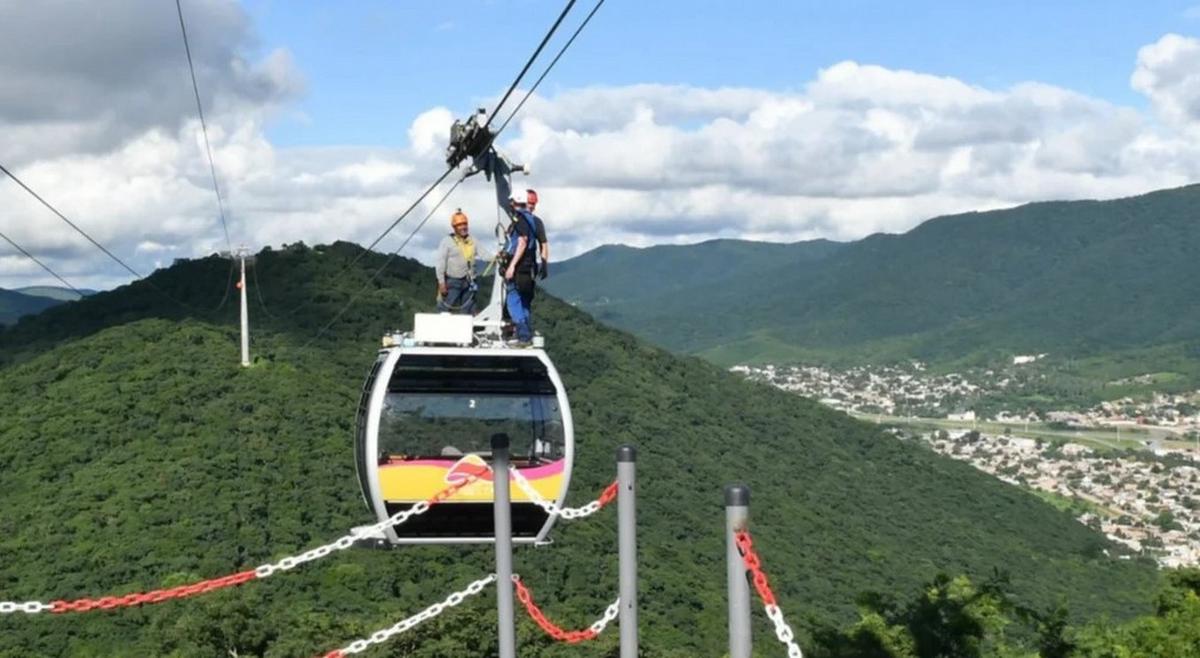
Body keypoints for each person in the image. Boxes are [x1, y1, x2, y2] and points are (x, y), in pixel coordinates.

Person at [503, 189, 542, 346]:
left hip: (519, 268)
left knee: (513, 300)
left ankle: (523, 335)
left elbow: (522, 241)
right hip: (529, 268)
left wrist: (511, 266)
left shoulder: (519, 219)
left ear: (515, 203)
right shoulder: (531, 219)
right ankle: (526, 333)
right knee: (524, 302)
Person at [434, 209, 478, 314]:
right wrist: (441, 282)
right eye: (460, 225)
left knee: (467, 311)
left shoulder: (472, 241)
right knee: (444, 308)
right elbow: (440, 263)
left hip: (469, 282)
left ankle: (464, 329)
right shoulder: (447, 241)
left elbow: (484, 253)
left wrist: (497, 257)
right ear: (454, 227)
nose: (463, 227)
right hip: (453, 281)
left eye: (465, 224)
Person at [526, 188, 550, 280]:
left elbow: (543, 244)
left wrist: (544, 265)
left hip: (528, 265)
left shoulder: (536, 222)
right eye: (530, 203)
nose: (531, 206)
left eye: (533, 204)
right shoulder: (512, 219)